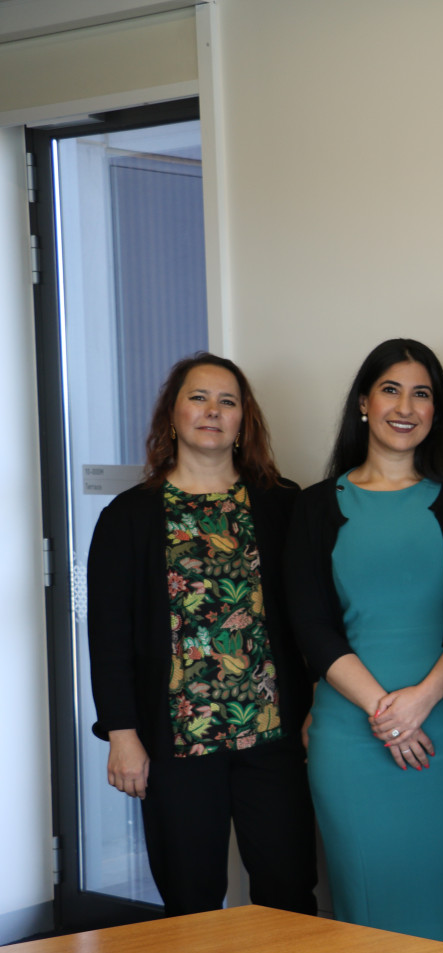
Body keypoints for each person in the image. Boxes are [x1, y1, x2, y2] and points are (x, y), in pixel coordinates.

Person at [86, 353, 317, 916]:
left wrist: (319, 708)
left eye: (228, 401)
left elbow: (314, 614)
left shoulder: (284, 504)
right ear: (172, 414)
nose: (212, 411)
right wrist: (122, 734)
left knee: (288, 892)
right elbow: (108, 634)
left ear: (244, 421)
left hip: (273, 737)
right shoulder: (129, 515)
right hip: (175, 746)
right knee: (190, 904)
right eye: (198, 398)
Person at [286, 338, 443, 943]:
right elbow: (313, 627)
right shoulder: (315, 507)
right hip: (352, 739)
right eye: (391, 390)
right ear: (363, 404)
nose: (407, 406)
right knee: (368, 924)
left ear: (437, 410)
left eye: (422, 393)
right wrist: (388, 712)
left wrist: (421, 701)